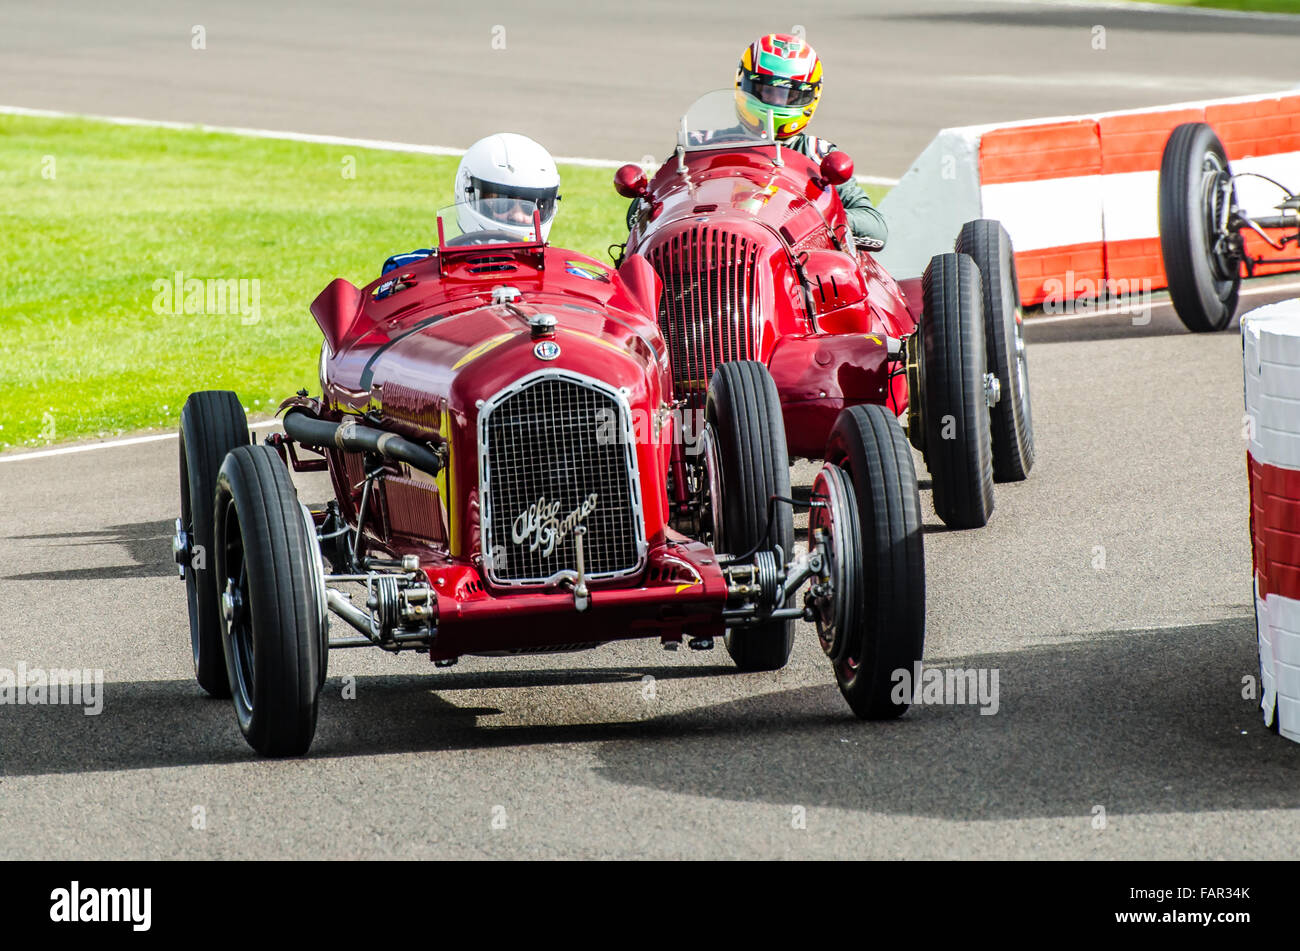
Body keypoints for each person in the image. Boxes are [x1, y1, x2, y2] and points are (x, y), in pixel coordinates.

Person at [627, 34, 887, 249]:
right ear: (743, 84)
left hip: (790, 272)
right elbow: (641, 213)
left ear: (811, 96)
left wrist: (812, 218)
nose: (775, 102)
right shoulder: (701, 146)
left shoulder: (817, 155)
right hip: (707, 253)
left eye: (788, 95)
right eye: (766, 90)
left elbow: (876, 227)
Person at [380, 132, 561, 277]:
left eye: (534, 205)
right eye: (502, 203)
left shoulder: (571, 276)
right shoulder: (408, 271)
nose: (519, 216)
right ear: (467, 192)